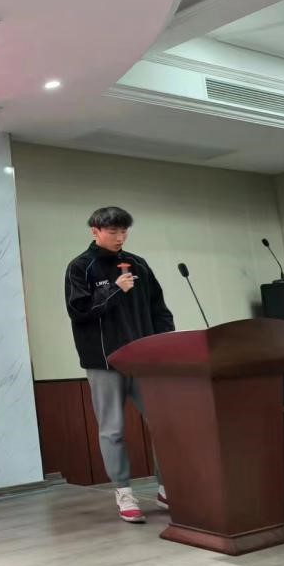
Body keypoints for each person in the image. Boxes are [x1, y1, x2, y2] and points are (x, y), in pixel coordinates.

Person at [64, 206, 174, 523]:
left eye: (124, 231)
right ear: (95, 231)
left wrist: (165, 343)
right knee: (112, 429)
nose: (119, 237)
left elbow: (159, 309)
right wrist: (115, 289)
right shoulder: (80, 267)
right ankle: (124, 492)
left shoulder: (139, 264)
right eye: (112, 231)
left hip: (144, 360)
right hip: (105, 361)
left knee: (165, 423)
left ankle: (167, 487)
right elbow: (79, 312)